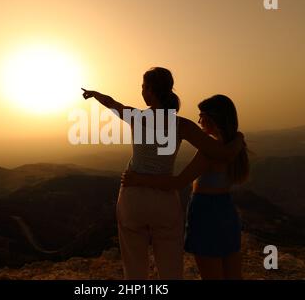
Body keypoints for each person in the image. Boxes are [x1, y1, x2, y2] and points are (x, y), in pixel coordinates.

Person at [82, 68, 244, 279]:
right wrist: (239, 138)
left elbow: (112, 102)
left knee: (134, 266)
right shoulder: (181, 125)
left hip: (133, 195)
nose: (141, 91)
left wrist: (94, 94)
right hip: (164, 199)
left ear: (150, 91)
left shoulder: (136, 116)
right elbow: (221, 153)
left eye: (143, 87)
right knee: (170, 268)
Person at [122, 94, 249, 280]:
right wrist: (239, 136)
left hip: (206, 214)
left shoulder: (210, 151)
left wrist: (138, 179)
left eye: (201, 116)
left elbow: (178, 183)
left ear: (212, 118)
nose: (198, 121)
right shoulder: (236, 145)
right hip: (227, 211)